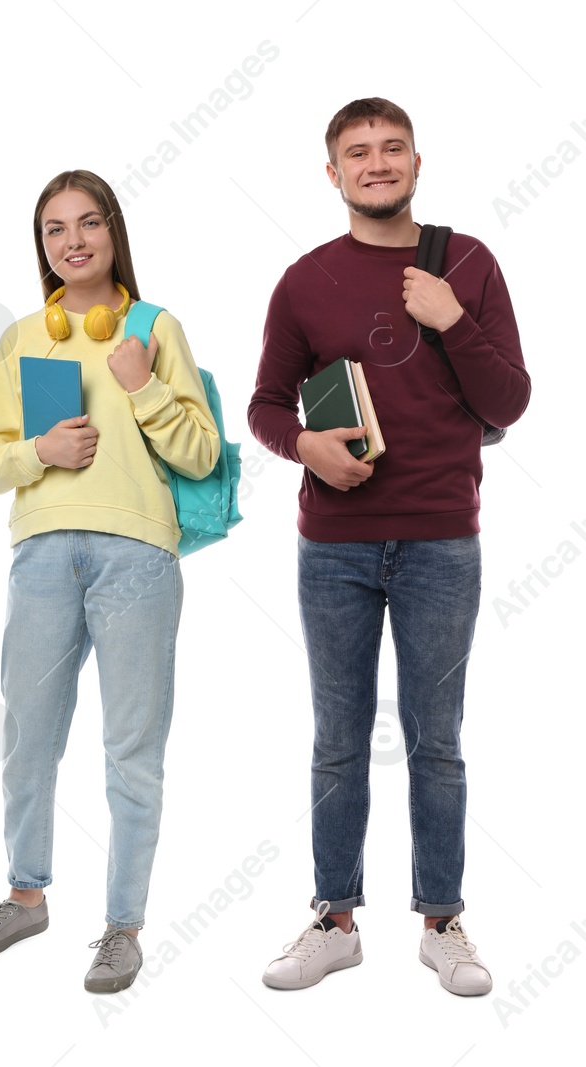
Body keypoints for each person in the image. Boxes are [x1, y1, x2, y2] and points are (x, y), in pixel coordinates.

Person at [248, 98, 528, 996]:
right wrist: (307, 446)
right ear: (332, 174)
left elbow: (511, 402)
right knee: (337, 738)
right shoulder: (302, 281)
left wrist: (451, 318)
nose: (376, 163)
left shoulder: (469, 266)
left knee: (435, 740)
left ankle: (442, 922)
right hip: (333, 545)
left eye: (391, 148)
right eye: (357, 153)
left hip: (445, 538)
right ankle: (334, 918)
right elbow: (264, 405)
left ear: (416, 162)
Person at [0, 170, 219, 993]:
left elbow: (202, 454)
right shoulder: (22, 338)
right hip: (41, 554)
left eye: (88, 224)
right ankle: (24, 893)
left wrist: (140, 385)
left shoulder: (153, 327)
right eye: (54, 230)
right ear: (42, 246)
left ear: (114, 232)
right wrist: (41, 452)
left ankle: (122, 927)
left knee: (132, 750)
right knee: (28, 736)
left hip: (138, 557)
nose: (73, 241)